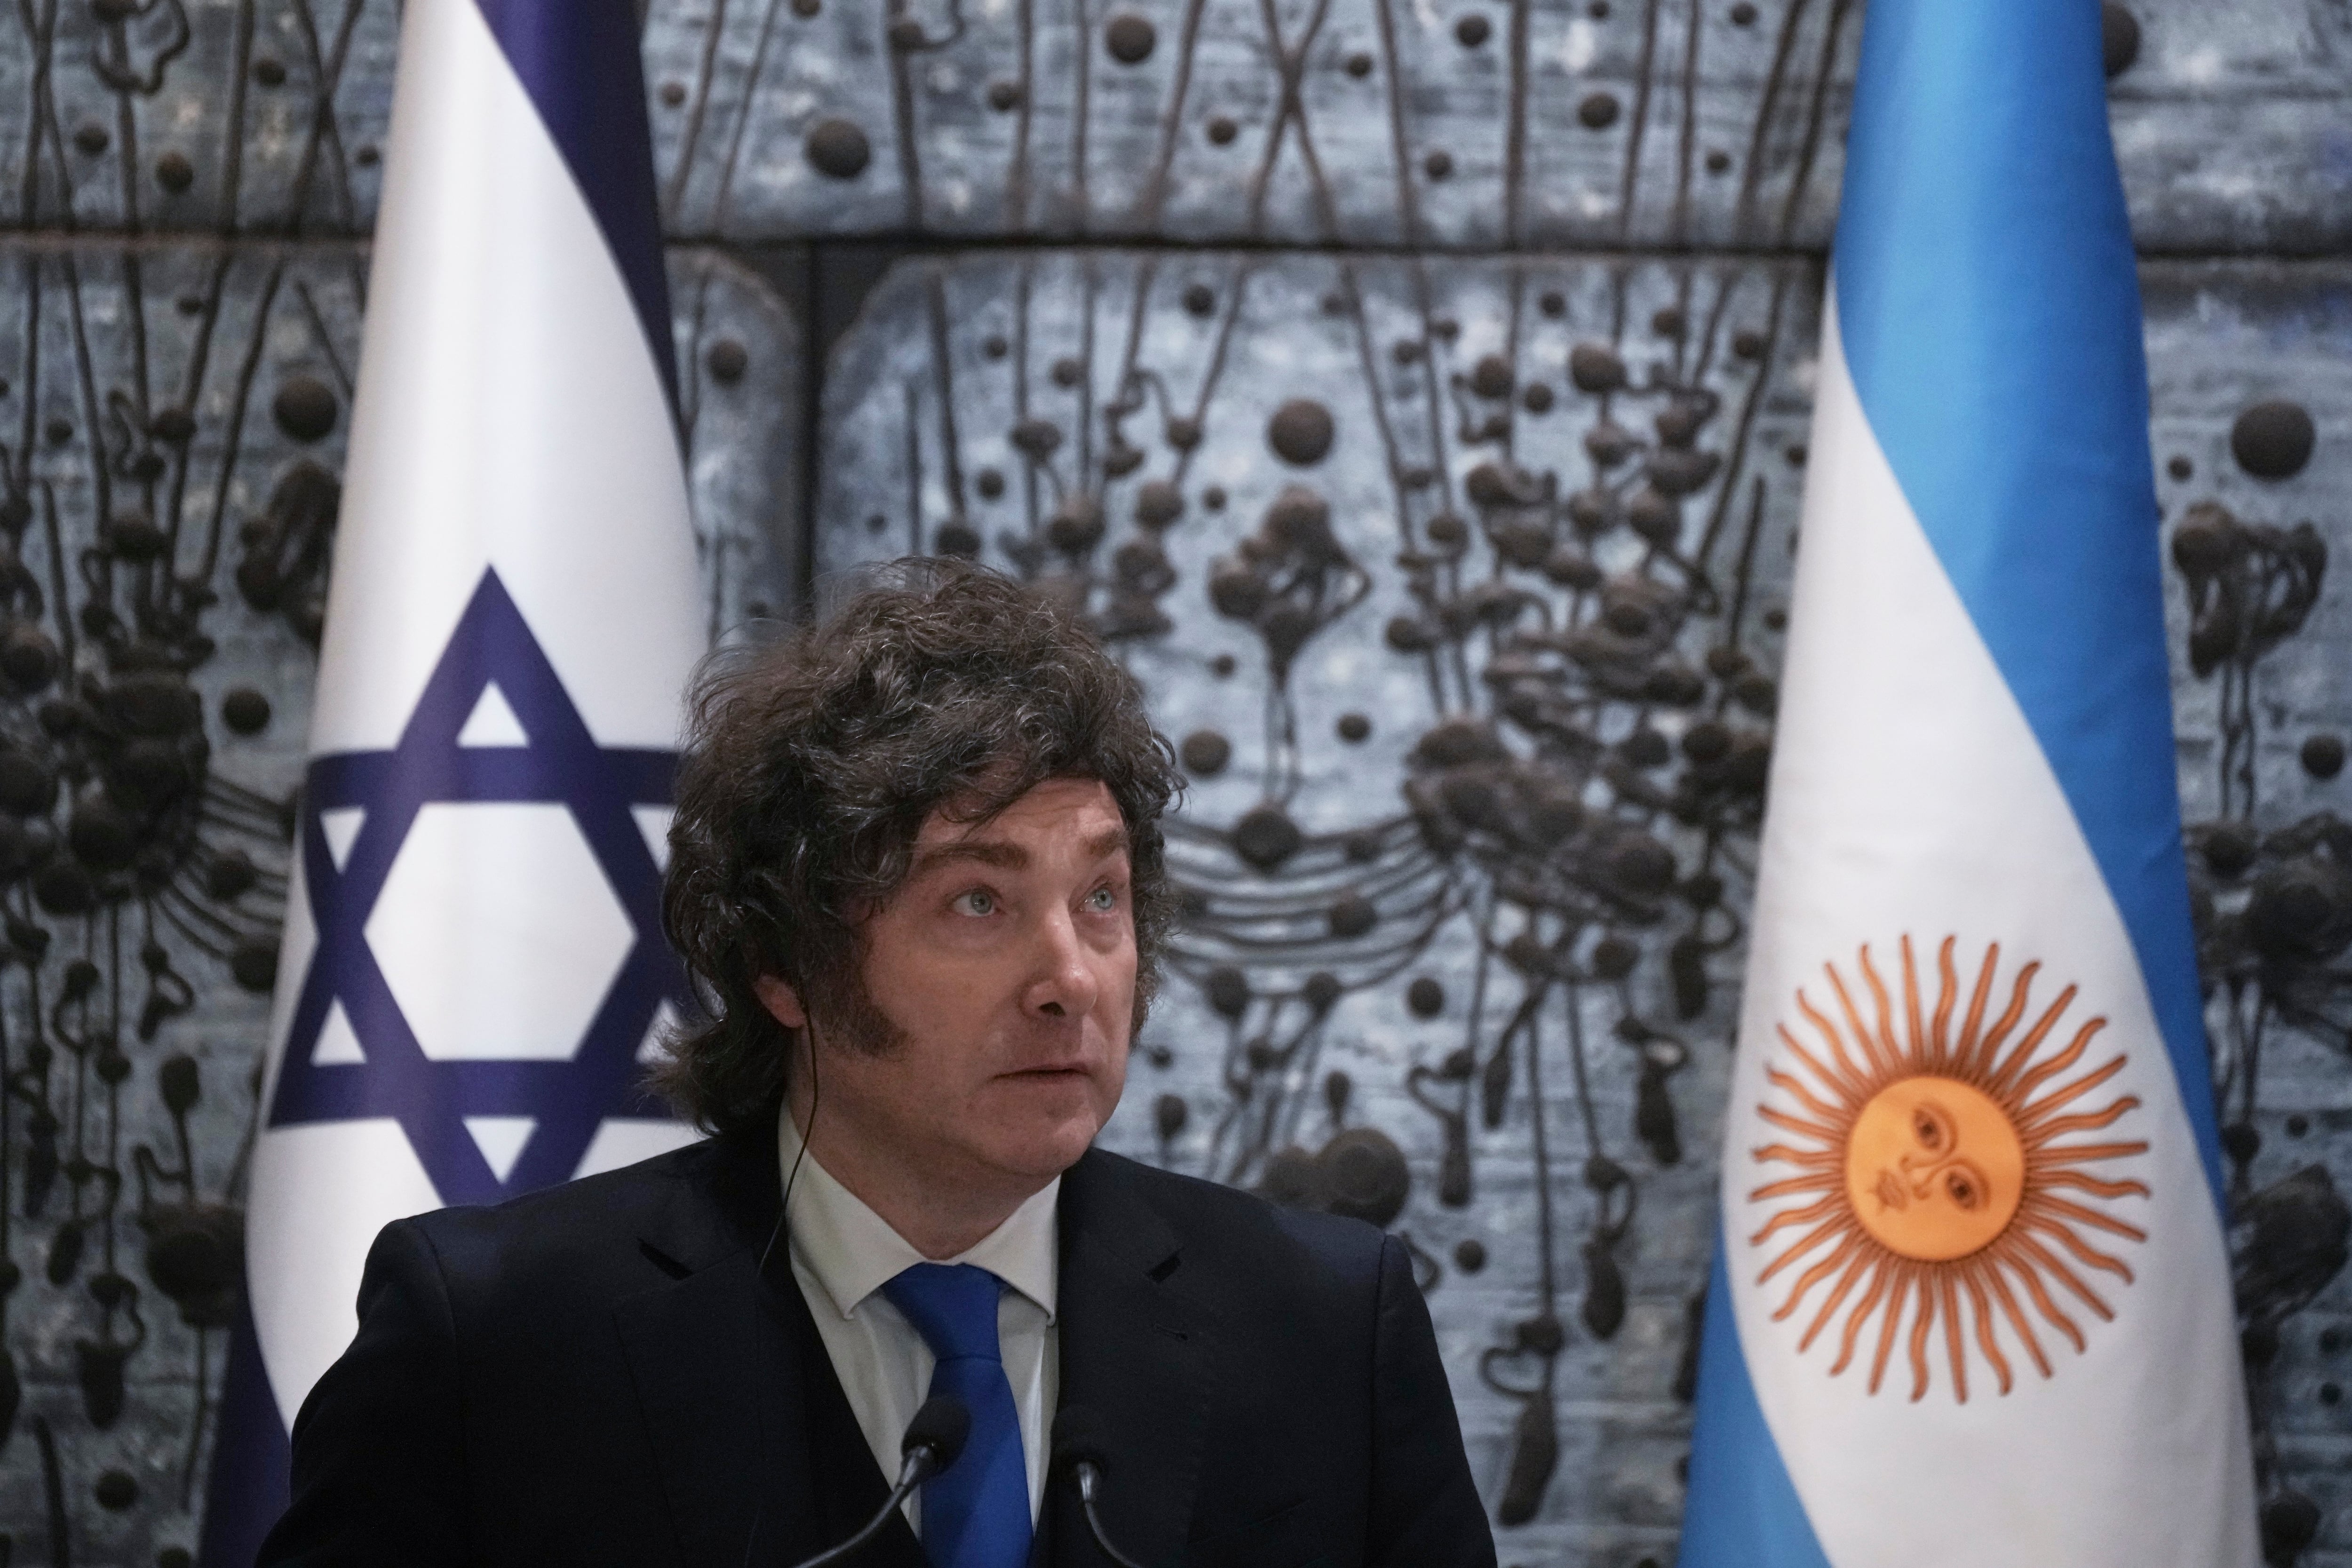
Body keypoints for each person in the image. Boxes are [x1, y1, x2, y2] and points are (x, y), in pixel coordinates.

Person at [258, 562, 1496, 1568]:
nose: (1070, 977)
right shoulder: (499, 1344)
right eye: (976, 904)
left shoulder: (1325, 1333)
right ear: (785, 967)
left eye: (1103, 897)